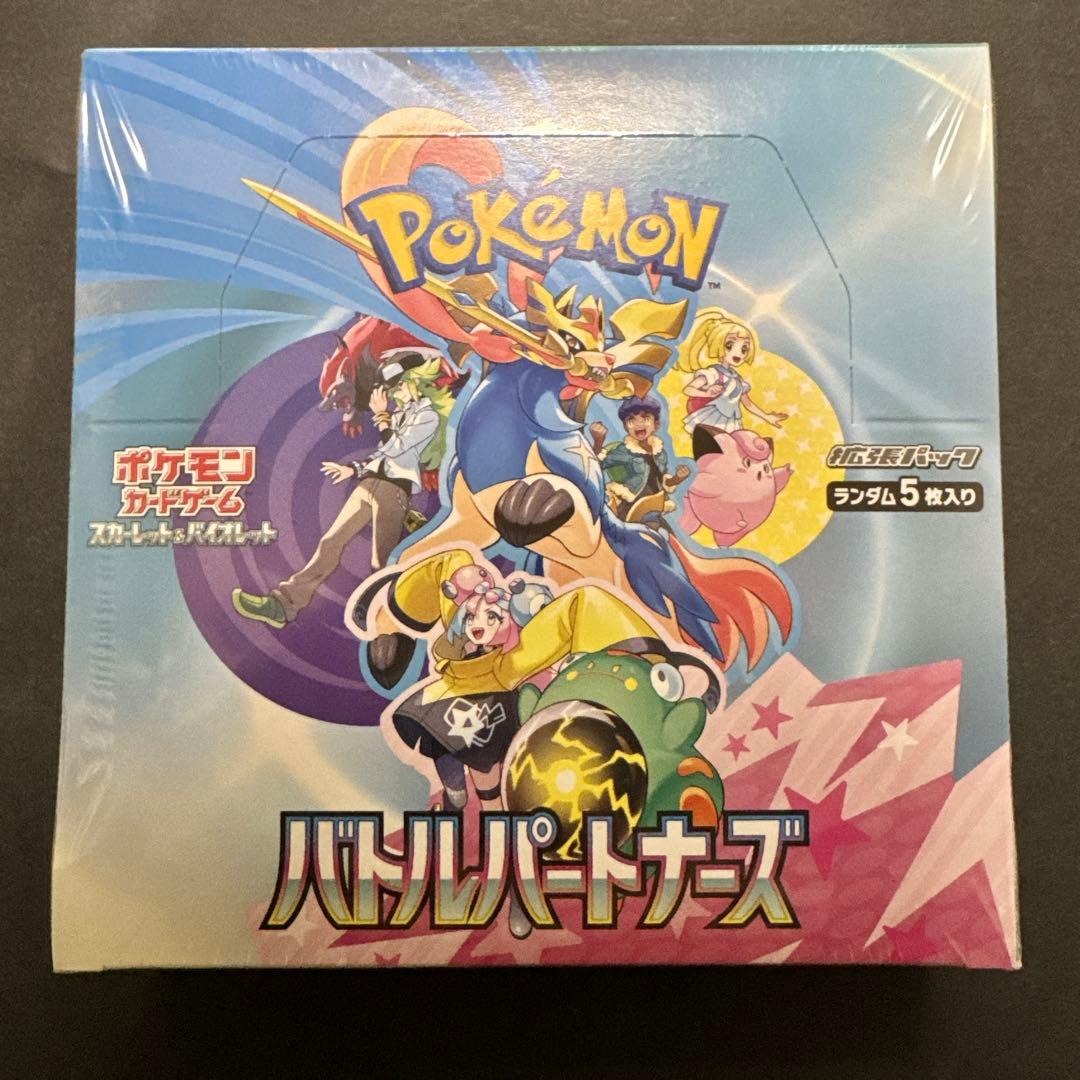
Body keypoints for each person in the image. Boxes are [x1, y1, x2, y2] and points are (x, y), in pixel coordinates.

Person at [232, 352, 453, 629]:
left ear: (415, 381)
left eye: (398, 387)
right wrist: (353, 470)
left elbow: (396, 448)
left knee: (381, 562)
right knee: (330, 542)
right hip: (370, 483)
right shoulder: (402, 415)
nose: (393, 395)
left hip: (393, 490)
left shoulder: (428, 416)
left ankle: (391, 622)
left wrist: (382, 417)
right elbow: (383, 456)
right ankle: (284, 604)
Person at [677, 308, 788, 433]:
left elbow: (748, 403)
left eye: (744, 349)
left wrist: (767, 417)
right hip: (710, 418)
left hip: (730, 421)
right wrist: (707, 393)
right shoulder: (713, 373)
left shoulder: (738, 380)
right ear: (718, 345)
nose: (738, 353)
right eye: (729, 345)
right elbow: (688, 389)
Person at [590, 396, 690, 528]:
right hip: (632, 505)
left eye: (646, 418)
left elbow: (662, 481)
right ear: (626, 427)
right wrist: (598, 442)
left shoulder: (660, 454)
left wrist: (677, 478)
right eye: (631, 420)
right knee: (650, 530)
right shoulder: (625, 451)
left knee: (665, 533)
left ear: (656, 425)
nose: (638, 423)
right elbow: (596, 465)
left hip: (653, 504)